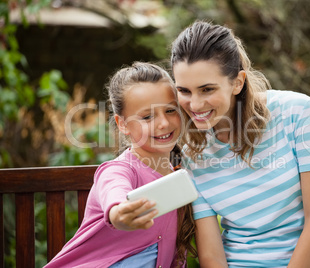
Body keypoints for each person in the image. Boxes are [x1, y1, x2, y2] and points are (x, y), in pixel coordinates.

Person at [170, 21, 310, 268]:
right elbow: (212, 256)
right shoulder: (191, 155)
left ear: (237, 82)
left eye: (207, 89)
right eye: (184, 91)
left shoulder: (295, 111)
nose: (194, 105)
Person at [45, 62, 196, 268]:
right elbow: (114, 191)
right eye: (147, 116)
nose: (163, 123)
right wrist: (119, 213)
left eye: (170, 110)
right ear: (122, 124)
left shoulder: (180, 174)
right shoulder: (119, 170)